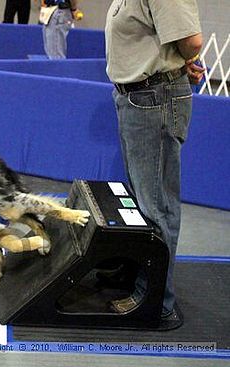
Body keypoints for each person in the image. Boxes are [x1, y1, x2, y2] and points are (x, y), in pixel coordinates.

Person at [105, 0, 205, 319]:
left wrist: (179, 58)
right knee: (143, 201)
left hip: (154, 99)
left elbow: (192, 42)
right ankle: (140, 275)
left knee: (157, 205)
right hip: (138, 97)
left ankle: (156, 300)